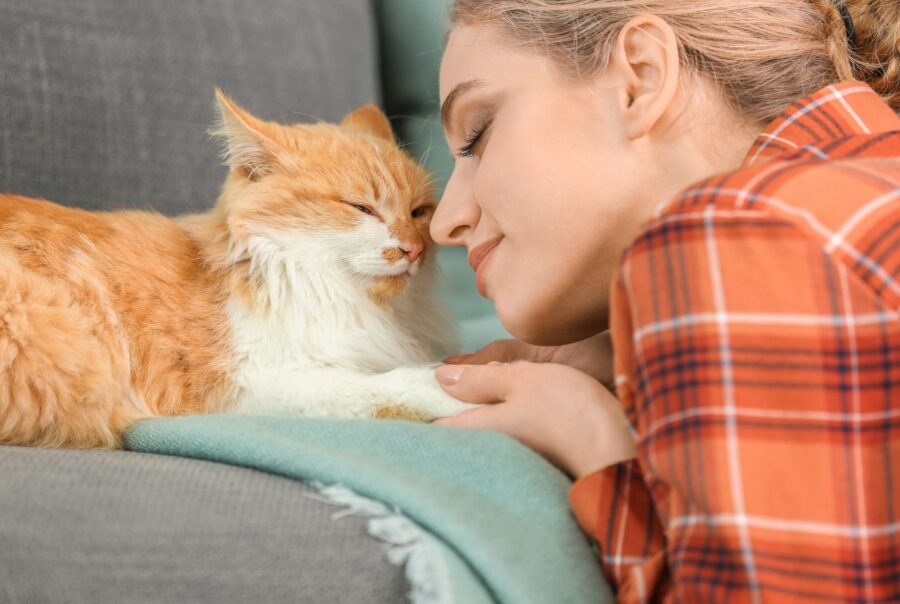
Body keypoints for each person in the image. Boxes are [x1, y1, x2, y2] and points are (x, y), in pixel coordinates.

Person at [429, 0, 900, 601]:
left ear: (641, 77)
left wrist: (594, 443)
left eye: (477, 134)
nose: (447, 220)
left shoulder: (735, 233)